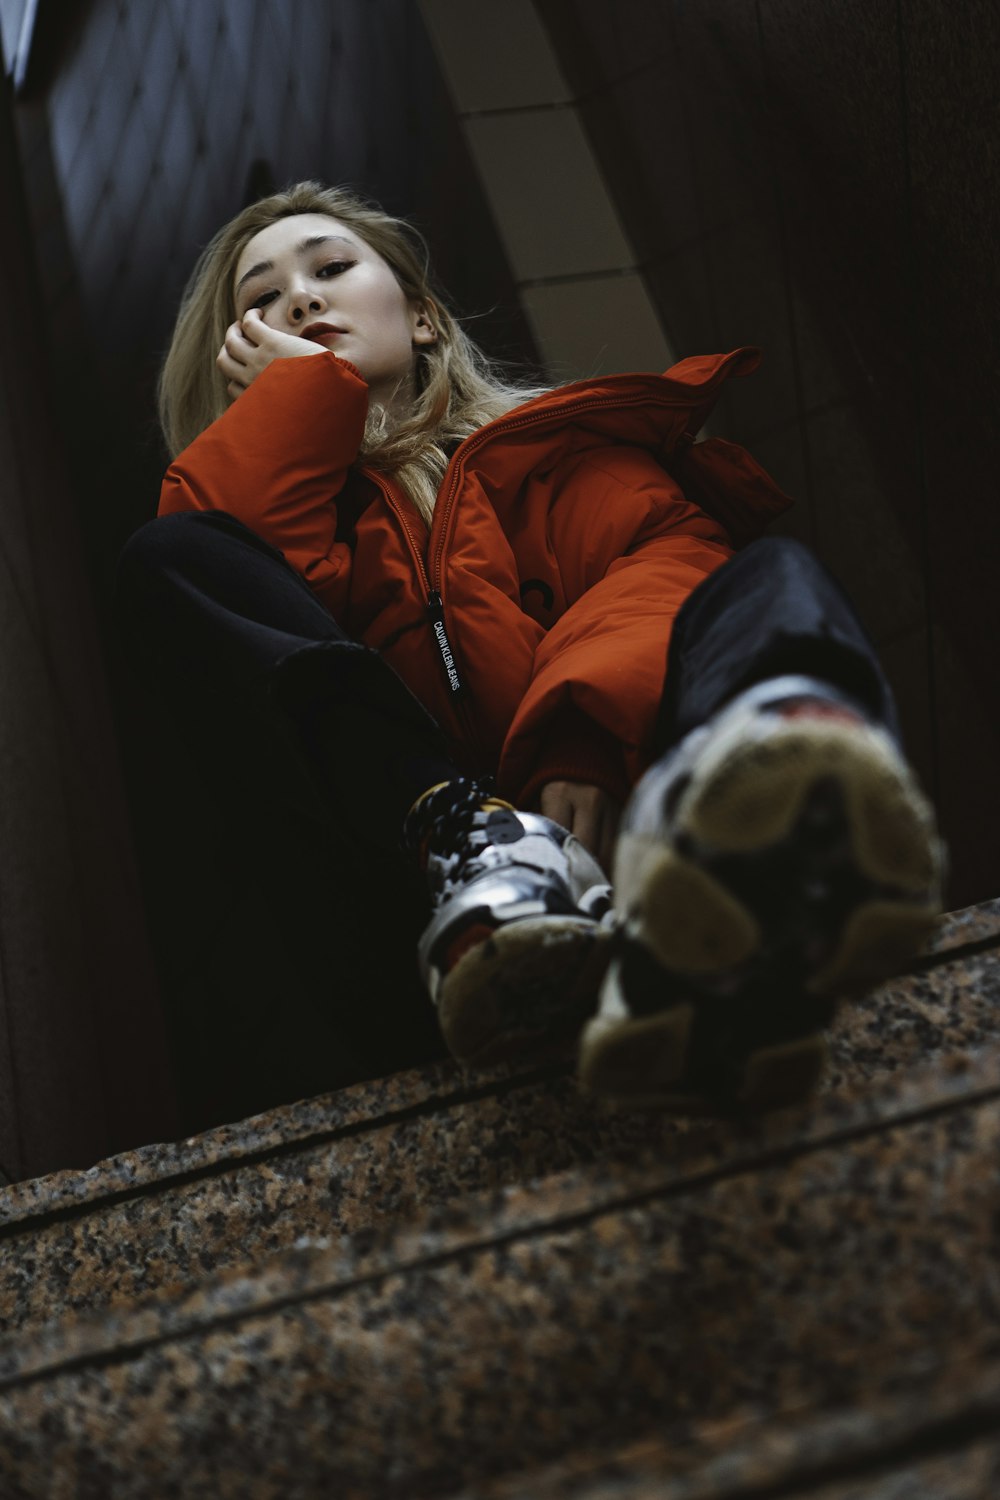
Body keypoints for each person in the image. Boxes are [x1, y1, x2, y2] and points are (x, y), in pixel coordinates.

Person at [117, 181, 944, 1116]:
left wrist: (580, 738)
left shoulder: (563, 457)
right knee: (172, 557)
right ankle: (478, 842)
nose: (301, 300)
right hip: (421, 915)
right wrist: (303, 404)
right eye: (261, 300)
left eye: (332, 267)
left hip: (621, 834)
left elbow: (661, 575)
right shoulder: (252, 539)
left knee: (766, 584)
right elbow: (221, 605)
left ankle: (763, 854)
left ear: (424, 321)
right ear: (238, 363)